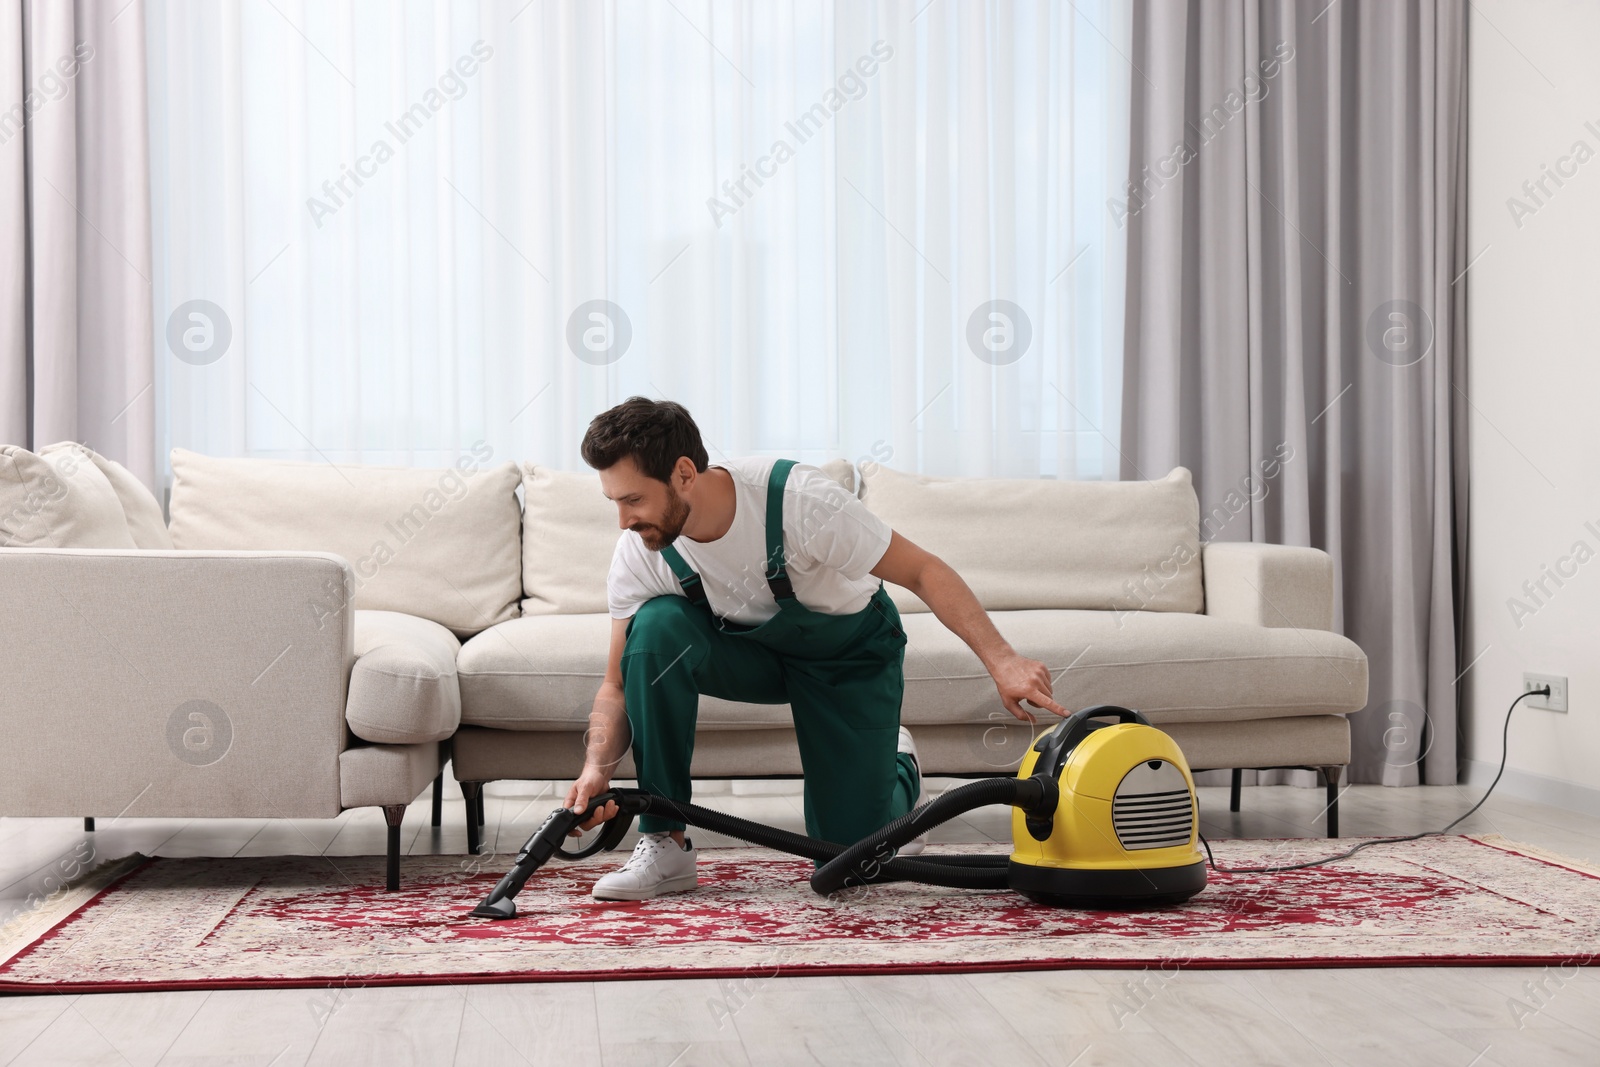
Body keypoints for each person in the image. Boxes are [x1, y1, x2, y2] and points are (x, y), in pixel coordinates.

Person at [567, 397, 1067, 900]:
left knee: (846, 855)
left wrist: (1003, 660)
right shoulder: (643, 548)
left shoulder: (798, 501)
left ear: (682, 474)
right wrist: (596, 770)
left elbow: (923, 570)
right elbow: (616, 683)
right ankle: (664, 843)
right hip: (753, 657)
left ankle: (899, 769)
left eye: (632, 500)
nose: (622, 520)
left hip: (847, 655)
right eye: (614, 502)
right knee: (654, 631)